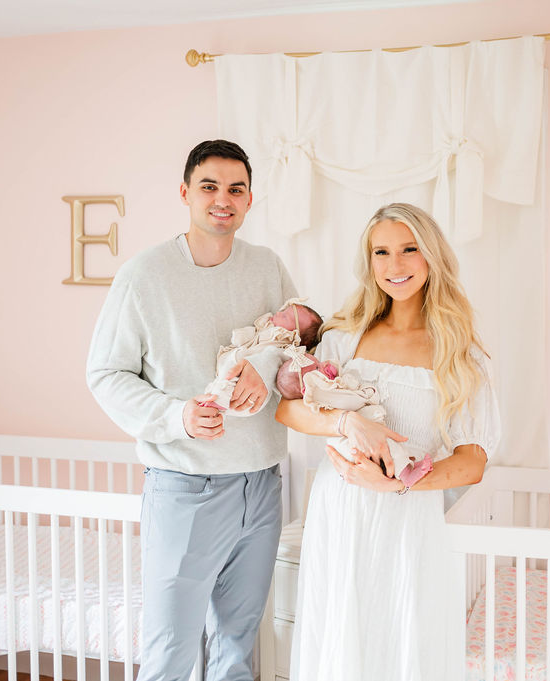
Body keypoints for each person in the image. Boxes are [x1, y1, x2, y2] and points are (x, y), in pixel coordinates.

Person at [86, 139, 298, 681]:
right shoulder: (144, 275)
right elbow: (105, 375)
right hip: (186, 485)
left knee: (237, 646)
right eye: (209, 187)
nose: (222, 199)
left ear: (250, 200)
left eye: (236, 189)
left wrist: (266, 362)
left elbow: (298, 342)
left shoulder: (268, 267)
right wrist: (177, 416)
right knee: (171, 653)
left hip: (262, 482)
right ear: (185, 193)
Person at [276, 202, 501, 681]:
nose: (394, 266)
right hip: (338, 510)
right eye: (381, 252)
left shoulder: (459, 353)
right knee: (339, 635)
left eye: (408, 250)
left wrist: (397, 485)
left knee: (400, 637)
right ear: (369, 261)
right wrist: (348, 424)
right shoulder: (343, 336)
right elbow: (289, 409)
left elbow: (472, 461)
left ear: (431, 256)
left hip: (408, 515)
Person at [276, 352, 435, 487]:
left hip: (357, 438)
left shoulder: (325, 386)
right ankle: (406, 474)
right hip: (347, 443)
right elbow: (349, 401)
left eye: (319, 362)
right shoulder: (320, 393)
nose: (324, 364)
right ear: (306, 387)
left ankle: (406, 467)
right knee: (386, 447)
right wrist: (362, 401)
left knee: (385, 446)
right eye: (317, 368)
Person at [202, 301, 323, 415]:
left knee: (233, 383)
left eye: (285, 317)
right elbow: (253, 335)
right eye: (283, 311)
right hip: (240, 357)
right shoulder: (266, 328)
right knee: (228, 372)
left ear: (296, 333)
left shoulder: (288, 349)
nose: (279, 313)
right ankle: (215, 396)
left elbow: (282, 366)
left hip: (249, 376)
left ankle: (218, 402)